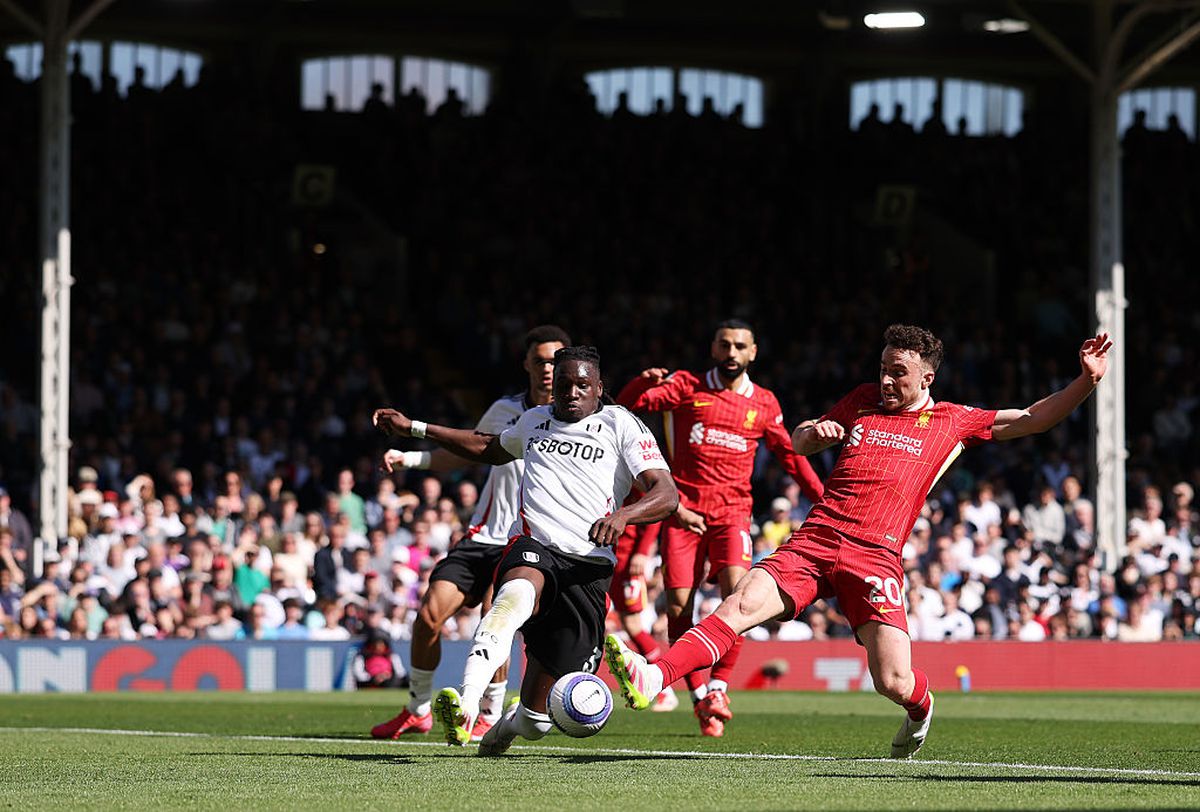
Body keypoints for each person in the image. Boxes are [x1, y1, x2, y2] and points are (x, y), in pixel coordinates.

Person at [607, 325, 1112, 758]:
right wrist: (817, 433)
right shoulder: (861, 400)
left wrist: (1084, 382)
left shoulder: (953, 422)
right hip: (815, 539)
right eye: (884, 369)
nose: (888, 381)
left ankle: (921, 708)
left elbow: (1029, 419)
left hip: (874, 556)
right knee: (741, 602)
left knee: (892, 681)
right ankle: (656, 677)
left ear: (927, 379)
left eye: (900, 373)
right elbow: (799, 439)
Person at [372, 345, 678, 756]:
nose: (571, 392)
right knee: (510, 601)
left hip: (587, 569)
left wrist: (624, 516)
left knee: (537, 721)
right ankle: (466, 702)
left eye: (582, 385)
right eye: (564, 385)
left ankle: (505, 727)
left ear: (599, 388)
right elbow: (485, 447)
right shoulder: (534, 421)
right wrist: (415, 427)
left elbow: (666, 493)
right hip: (533, 546)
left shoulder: (621, 424)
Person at [615, 318, 823, 736]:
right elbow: (627, 409)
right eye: (724, 345)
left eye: (739, 346)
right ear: (714, 348)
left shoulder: (763, 403)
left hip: (733, 514)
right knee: (678, 608)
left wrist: (822, 496)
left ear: (753, 353)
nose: (731, 353)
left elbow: (789, 456)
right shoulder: (687, 386)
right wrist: (641, 381)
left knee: (739, 595)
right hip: (684, 514)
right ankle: (698, 696)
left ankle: (719, 687)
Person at [369, 325, 571, 743]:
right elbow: (467, 450)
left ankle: (488, 713)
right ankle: (418, 710)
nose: (548, 369)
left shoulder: (580, 421)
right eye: (540, 361)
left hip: (527, 542)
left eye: (556, 361)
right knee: (428, 616)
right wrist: (410, 458)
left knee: (493, 623)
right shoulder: (505, 411)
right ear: (526, 365)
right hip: (482, 536)